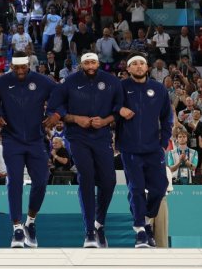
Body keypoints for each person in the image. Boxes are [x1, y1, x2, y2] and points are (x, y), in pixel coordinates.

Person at [47, 52, 123, 248]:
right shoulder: (69, 81)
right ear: (81, 65)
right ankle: (89, 231)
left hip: (102, 136)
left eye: (93, 62)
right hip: (77, 137)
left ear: (98, 63)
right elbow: (55, 106)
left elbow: (120, 107)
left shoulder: (111, 81)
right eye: (87, 62)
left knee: (109, 181)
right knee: (86, 177)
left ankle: (99, 223)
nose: (90, 65)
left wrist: (105, 120)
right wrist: (74, 118)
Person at [0, 51, 59, 248]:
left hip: (36, 139)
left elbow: (59, 95)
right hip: (12, 138)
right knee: (15, 182)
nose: (20, 71)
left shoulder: (41, 81)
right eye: (16, 67)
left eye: (23, 67)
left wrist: (55, 113)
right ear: (11, 66)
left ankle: (31, 221)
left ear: (29, 65)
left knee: (42, 180)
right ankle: (17, 228)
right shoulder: (2, 82)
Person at [118, 53, 173, 248]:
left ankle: (148, 220)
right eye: (135, 64)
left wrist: (164, 142)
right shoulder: (121, 87)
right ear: (129, 68)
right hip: (130, 148)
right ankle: (140, 229)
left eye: (142, 63)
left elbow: (167, 117)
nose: (139, 67)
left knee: (159, 187)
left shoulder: (158, 89)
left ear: (147, 67)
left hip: (153, 148)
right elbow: (109, 108)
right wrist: (119, 110)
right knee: (136, 188)